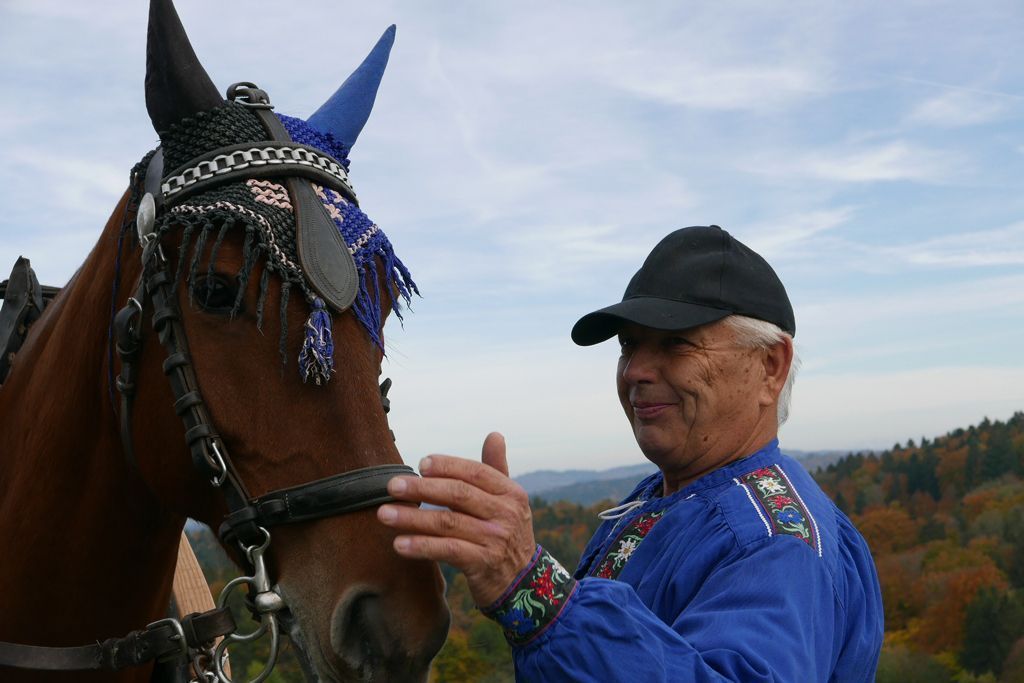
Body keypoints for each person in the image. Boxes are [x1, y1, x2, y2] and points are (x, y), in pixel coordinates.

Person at [377, 225, 884, 682]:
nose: (635, 371)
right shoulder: (673, 497)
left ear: (770, 367)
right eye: (628, 346)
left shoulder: (771, 542)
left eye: (676, 345)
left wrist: (536, 595)